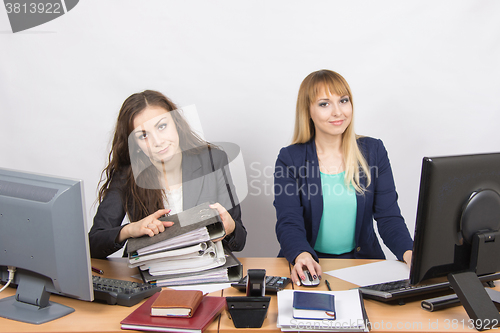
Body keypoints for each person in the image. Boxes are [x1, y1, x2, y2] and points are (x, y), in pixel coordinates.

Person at [274, 70, 413, 286]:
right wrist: (301, 254)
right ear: (308, 111)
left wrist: (410, 253)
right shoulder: (290, 158)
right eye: (324, 104)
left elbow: (389, 218)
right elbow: (289, 221)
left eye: (343, 101)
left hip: (364, 265)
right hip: (310, 266)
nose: (338, 112)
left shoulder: (373, 151)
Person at [89, 90, 246, 258]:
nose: (158, 141)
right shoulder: (127, 175)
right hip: (150, 274)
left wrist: (230, 228)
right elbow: (93, 243)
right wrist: (129, 230)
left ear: (176, 123)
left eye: (162, 126)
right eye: (143, 136)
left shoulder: (213, 160)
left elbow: (240, 240)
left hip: (203, 271)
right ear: (135, 144)